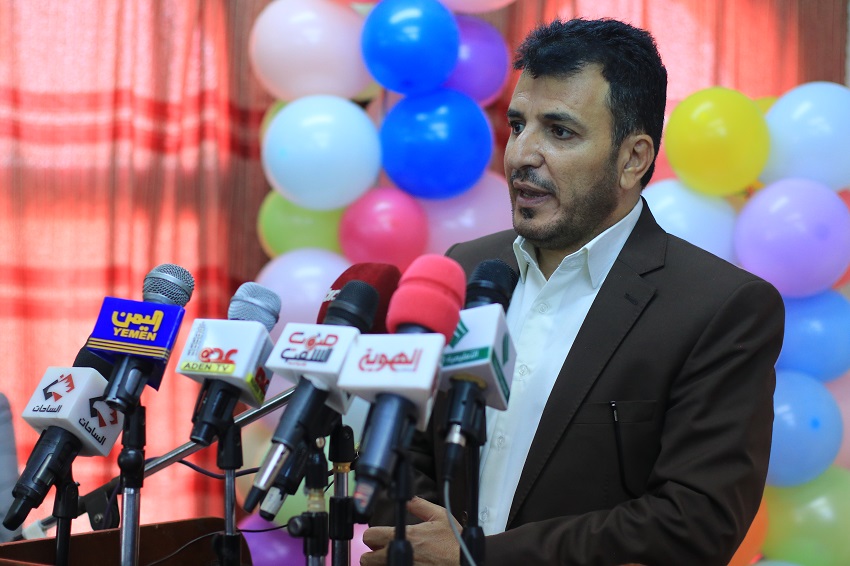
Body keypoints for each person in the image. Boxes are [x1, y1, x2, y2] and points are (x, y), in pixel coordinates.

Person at [361, 17, 784, 566]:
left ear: (633, 159)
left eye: (559, 132)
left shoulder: (718, 307)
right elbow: (405, 445)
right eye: (518, 125)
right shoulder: (465, 270)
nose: (521, 155)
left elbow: (695, 521)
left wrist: (478, 557)